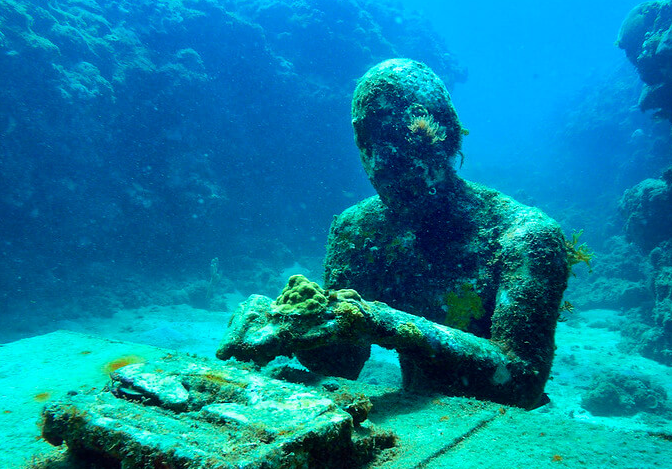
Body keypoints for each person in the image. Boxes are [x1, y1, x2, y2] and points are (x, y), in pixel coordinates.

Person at [219, 59, 570, 409]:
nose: (378, 163)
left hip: (502, 439)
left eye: (397, 135)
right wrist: (288, 322)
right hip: (421, 433)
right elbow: (341, 364)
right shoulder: (357, 229)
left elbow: (521, 381)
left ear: (445, 130)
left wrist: (384, 322)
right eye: (365, 142)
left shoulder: (524, 236)